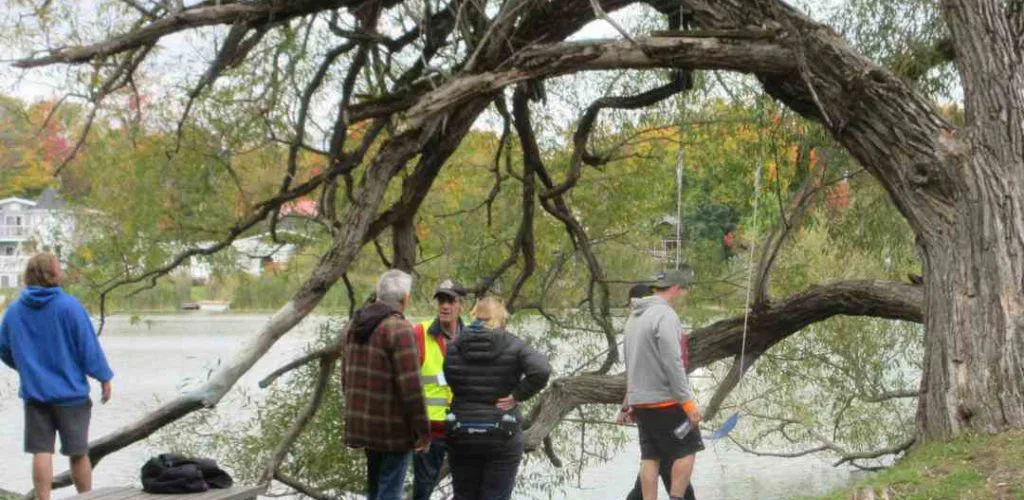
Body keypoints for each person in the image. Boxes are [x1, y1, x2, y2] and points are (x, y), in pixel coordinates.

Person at [0, 253, 114, 500]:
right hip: (70, 394)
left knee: (41, 451)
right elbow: (87, 347)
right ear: (53, 274)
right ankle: (86, 497)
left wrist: (26, 367)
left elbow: (3, 348)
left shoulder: (14, 311)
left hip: (35, 394)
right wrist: (103, 377)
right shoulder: (69, 306)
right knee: (78, 452)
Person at [443, 297, 550, 500]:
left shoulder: (454, 345)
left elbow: (451, 379)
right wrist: (517, 395)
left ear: (474, 315)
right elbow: (542, 370)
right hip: (502, 432)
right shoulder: (513, 343)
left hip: (461, 431)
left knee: (464, 496)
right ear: (501, 319)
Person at [342, 269, 429, 500]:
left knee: (375, 490)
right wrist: (423, 430)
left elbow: (345, 377)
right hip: (393, 431)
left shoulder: (354, 326)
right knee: (390, 492)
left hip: (363, 424)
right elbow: (412, 388)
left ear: (379, 295)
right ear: (405, 299)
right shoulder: (399, 329)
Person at [618, 268, 703, 500]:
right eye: (684, 289)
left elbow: (632, 364)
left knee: (650, 456)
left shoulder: (633, 318)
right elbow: (672, 362)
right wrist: (687, 403)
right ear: (675, 288)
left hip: (641, 402)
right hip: (665, 401)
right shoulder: (665, 315)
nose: (684, 294)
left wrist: (628, 402)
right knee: (688, 450)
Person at [411, 278, 466, 500]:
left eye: (450, 301)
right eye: (441, 300)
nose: (444, 306)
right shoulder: (419, 333)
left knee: (465, 485)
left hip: (464, 426)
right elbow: (406, 380)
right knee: (423, 488)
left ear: (460, 304)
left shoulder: (472, 335)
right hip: (429, 429)